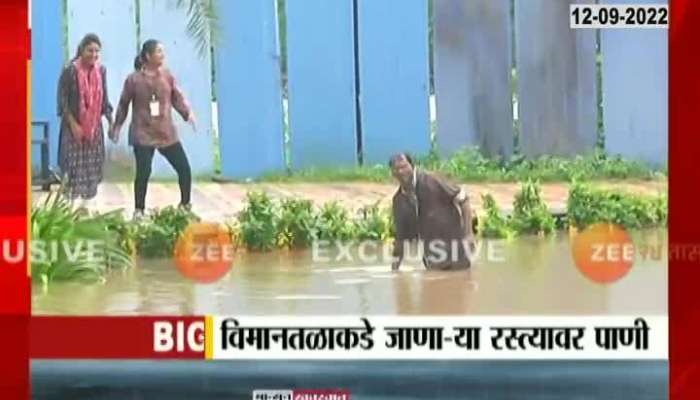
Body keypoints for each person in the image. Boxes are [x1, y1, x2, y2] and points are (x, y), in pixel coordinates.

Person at [110, 39, 197, 220]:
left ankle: (185, 205)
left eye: (162, 51)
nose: (162, 55)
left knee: (184, 168)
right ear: (148, 56)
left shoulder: (167, 76)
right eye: (158, 51)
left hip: (166, 132)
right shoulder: (133, 79)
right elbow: (123, 104)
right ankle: (139, 211)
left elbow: (177, 97)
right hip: (143, 133)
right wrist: (117, 126)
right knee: (144, 171)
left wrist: (187, 113)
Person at [389, 153, 476, 271]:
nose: (401, 172)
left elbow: (464, 200)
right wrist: (394, 269)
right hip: (432, 260)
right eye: (396, 169)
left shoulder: (433, 180)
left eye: (404, 167)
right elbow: (401, 239)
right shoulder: (399, 201)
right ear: (392, 173)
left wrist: (469, 234)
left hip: (457, 254)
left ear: (412, 166)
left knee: (460, 283)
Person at [57, 33, 113, 208]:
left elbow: (104, 100)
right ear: (82, 50)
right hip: (73, 128)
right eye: (90, 50)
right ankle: (69, 208)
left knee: (92, 168)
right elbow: (62, 100)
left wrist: (111, 122)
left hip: (94, 130)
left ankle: (87, 208)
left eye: (97, 51)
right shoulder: (70, 70)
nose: (94, 55)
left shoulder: (101, 71)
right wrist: (73, 124)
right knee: (73, 168)